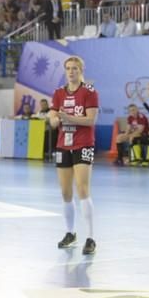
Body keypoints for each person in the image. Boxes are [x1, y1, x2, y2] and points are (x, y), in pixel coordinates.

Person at [48, 56, 98, 255]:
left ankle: (91, 238)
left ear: (81, 70)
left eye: (75, 68)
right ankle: (70, 233)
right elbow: (53, 118)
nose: (71, 72)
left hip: (83, 143)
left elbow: (91, 120)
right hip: (63, 144)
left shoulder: (89, 92)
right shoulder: (58, 93)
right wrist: (52, 118)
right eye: (68, 68)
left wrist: (69, 117)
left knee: (82, 188)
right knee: (65, 192)